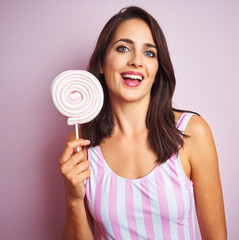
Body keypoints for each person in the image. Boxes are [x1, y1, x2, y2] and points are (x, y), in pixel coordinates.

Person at [59, 6, 226, 240]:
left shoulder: (192, 133)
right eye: (123, 48)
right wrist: (73, 199)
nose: (136, 61)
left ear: (157, 69)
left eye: (149, 53)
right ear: (101, 63)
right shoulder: (82, 144)